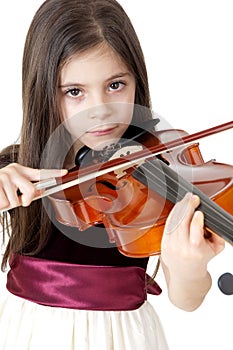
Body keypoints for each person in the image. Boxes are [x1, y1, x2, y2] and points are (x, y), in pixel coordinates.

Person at [0, 0, 225, 349]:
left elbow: (187, 299)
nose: (100, 111)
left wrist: (188, 268)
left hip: (127, 340)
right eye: (75, 92)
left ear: (137, 79)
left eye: (116, 85)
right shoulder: (16, 173)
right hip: (32, 335)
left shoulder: (159, 175)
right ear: (44, 92)